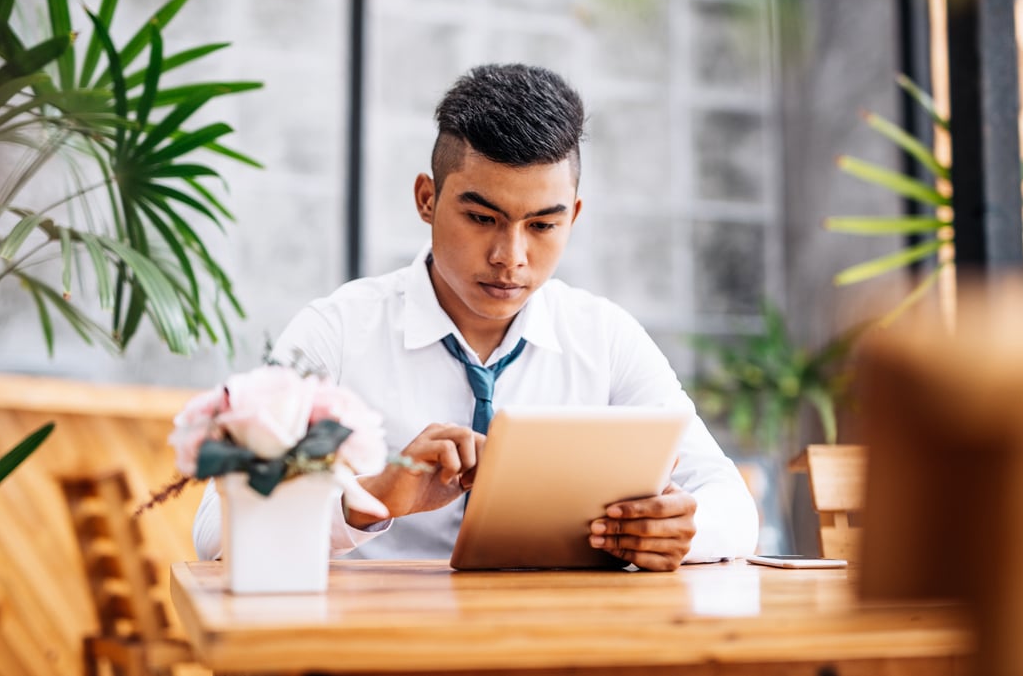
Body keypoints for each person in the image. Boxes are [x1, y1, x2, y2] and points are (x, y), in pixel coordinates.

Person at [194, 63, 758, 571]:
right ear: (427, 200)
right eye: (483, 217)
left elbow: (731, 504)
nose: (510, 257)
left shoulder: (605, 338)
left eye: (542, 225)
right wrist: (369, 499)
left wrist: (683, 530)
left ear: (574, 216)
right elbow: (212, 532)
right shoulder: (337, 333)